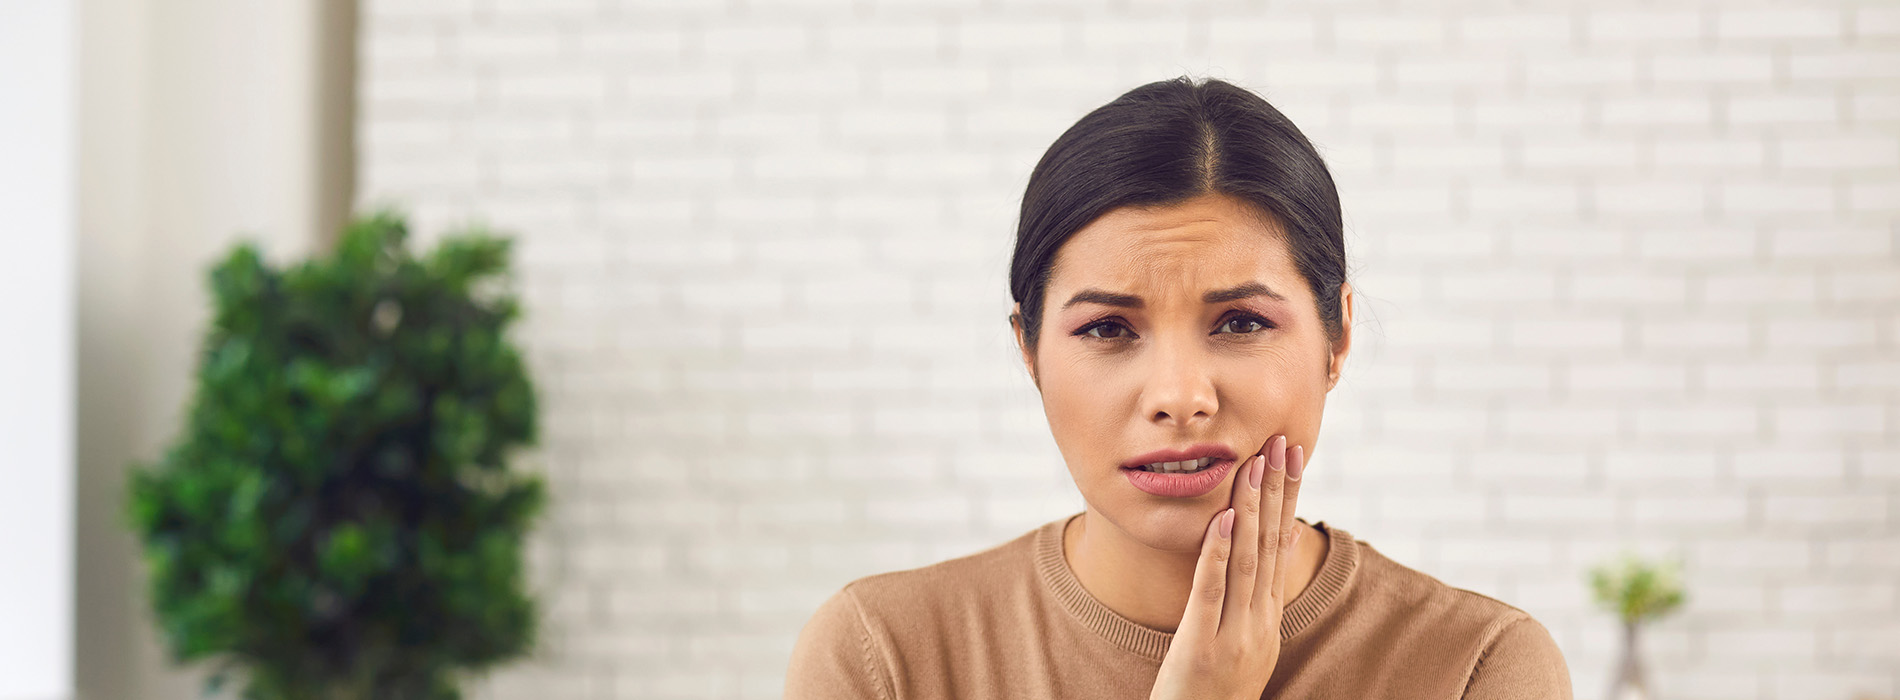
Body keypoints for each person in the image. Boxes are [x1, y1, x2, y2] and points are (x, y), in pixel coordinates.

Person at [783, 76, 1572, 700]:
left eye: (1239, 323)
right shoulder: (884, 656)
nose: (1179, 397)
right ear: (1028, 350)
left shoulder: (1478, 667)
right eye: (1107, 330)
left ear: (1338, 336)